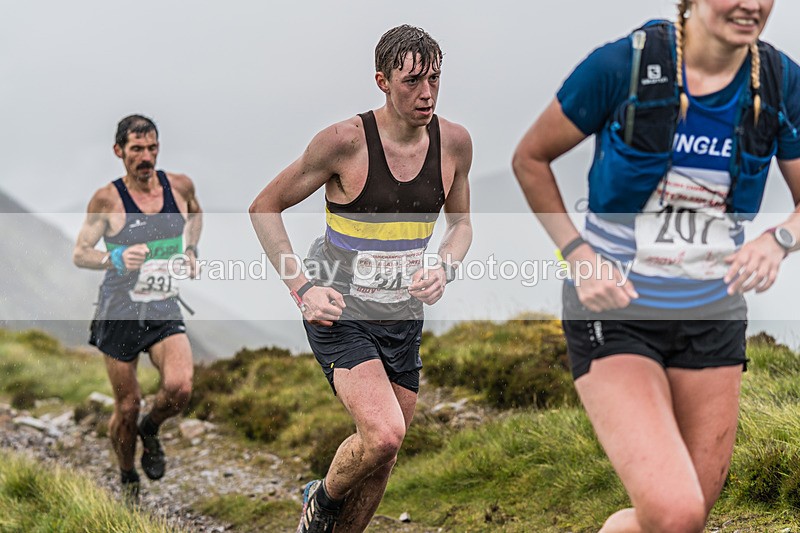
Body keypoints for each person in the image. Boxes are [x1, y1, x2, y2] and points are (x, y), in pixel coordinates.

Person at [513, 1, 800, 531]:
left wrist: (777, 241)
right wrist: (577, 254)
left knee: (680, 518)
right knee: (675, 510)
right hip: (616, 310)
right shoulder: (622, 65)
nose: (751, 4)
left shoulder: (780, 83)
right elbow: (530, 158)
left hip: (712, 315)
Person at [250, 24, 472, 533]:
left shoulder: (455, 143)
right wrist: (302, 289)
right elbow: (264, 207)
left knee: (382, 459)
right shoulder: (344, 143)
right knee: (385, 434)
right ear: (382, 81)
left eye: (435, 79)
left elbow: (461, 225)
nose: (427, 93)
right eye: (413, 81)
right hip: (341, 307)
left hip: (401, 314)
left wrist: (443, 265)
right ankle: (321, 499)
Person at [73, 114, 203, 504]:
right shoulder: (107, 199)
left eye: (151, 148)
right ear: (119, 152)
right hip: (119, 309)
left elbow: (196, 215)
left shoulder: (179, 186)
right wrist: (114, 258)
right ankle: (128, 476)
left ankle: (151, 428)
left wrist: (192, 249)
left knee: (179, 389)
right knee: (126, 406)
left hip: (162, 303)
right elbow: (80, 253)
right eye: (136, 150)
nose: (145, 157)